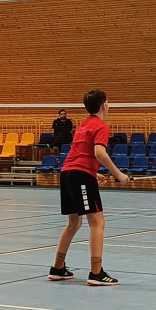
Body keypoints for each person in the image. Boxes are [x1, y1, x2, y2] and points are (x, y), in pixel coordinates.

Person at [49, 89, 129, 286]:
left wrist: (93, 173)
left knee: (74, 223)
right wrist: (118, 174)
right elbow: (99, 152)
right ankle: (96, 272)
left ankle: (57, 268)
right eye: (108, 102)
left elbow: (79, 153)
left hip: (68, 173)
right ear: (103, 106)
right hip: (80, 175)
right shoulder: (101, 125)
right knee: (97, 222)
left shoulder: (83, 125)